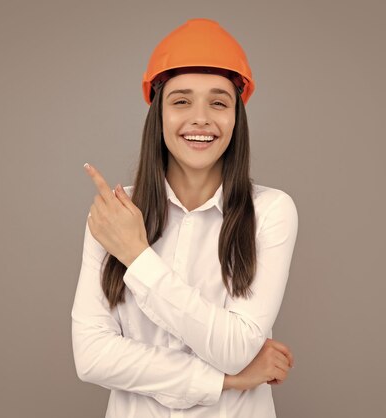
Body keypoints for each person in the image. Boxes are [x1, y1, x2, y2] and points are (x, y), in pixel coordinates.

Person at [71, 18, 298, 418]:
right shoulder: (115, 214)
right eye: (181, 101)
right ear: (158, 115)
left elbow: (235, 349)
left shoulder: (271, 212)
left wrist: (138, 257)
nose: (201, 118)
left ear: (236, 117)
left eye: (218, 102)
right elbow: (91, 356)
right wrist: (226, 380)